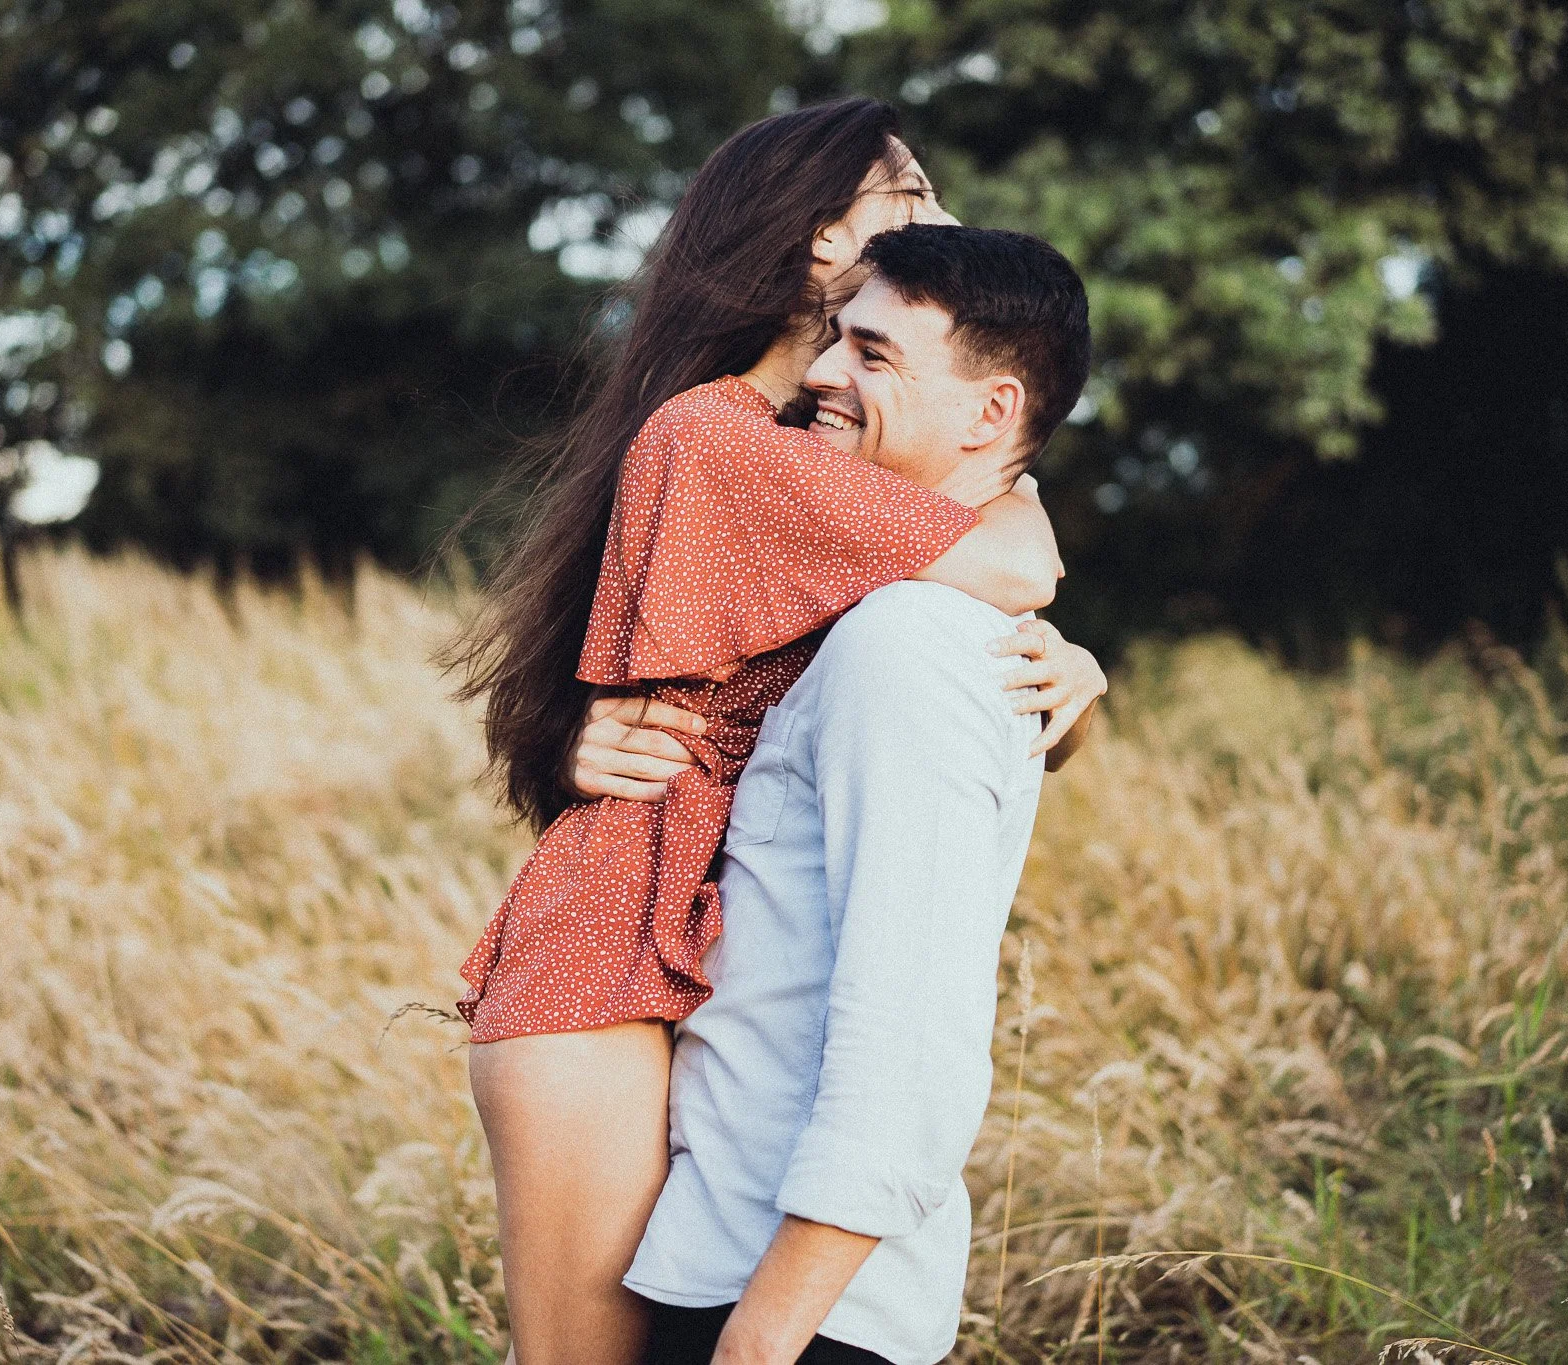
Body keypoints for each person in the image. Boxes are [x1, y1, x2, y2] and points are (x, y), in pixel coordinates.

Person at [441, 100, 1106, 1365]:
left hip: (681, 942)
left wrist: (1067, 682)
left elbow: (919, 655)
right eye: (908, 192)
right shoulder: (721, 433)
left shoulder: (821, 447)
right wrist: (1035, 571)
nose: (941, 211)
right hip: (604, 968)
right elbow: (1013, 555)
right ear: (816, 243)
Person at [624, 222, 1090, 1365]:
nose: (824, 371)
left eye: (872, 354)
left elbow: (913, 1041)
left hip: (792, 1311)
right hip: (733, 1263)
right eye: (835, 337)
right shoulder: (882, 620)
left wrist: (762, 1338)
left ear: (990, 414)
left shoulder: (906, 647)